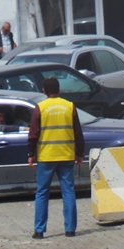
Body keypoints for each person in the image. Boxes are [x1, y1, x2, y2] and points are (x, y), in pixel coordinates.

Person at [28, 78, 84, 239]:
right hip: (66, 155)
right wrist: (79, 153)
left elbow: (33, 134)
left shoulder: (40, 107)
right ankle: (70, 229)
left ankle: (39, 230)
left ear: (44, 91)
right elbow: (78, 133)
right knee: (68, 192)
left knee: (42, 193)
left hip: (46, 156)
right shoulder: (69, 106)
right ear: (59, 90)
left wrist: (31, 154)